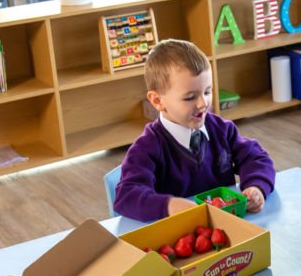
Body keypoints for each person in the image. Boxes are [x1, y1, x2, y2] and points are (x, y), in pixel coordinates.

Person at [114, 39, 275, 222]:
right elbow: (126, 197)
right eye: (190, 97)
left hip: (229, 226)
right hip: (181, 236)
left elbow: (256, 157)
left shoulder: (221, 129)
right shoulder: (147, 148)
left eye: (207, 91)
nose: (203, 103)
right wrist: (169, 205)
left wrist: (257, 186)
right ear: (158, 101)